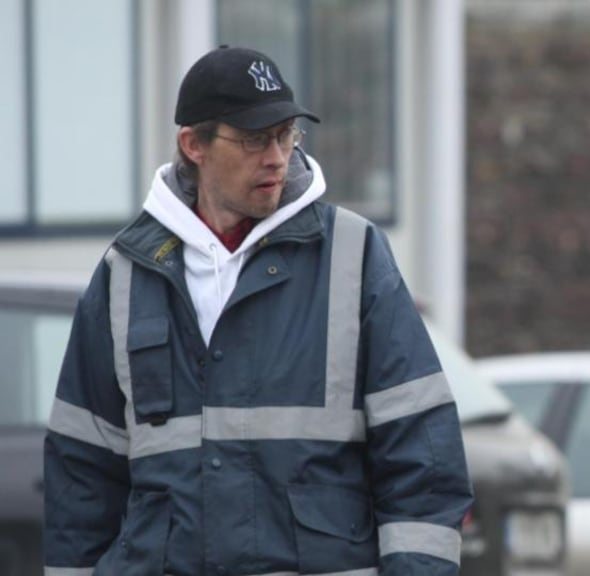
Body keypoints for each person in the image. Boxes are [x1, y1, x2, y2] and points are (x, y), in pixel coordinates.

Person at [43, 45, 473, 576]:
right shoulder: (124, 272)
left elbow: (423, 457)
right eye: (253, 139)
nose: (276, 156)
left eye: (286, 134)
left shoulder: (354, 255)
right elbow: (81, 473)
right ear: (193, 144)